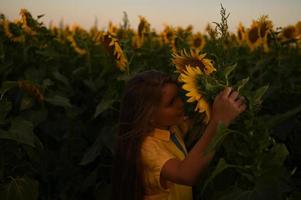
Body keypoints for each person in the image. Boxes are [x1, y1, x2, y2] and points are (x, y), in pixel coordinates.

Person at [111, 70, 246, 200]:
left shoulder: (170, 127)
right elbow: (186, 174)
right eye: (171, 103)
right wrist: (219, 121)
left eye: (178, 97)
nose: (181, 104)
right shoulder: (147, 147)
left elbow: (196, 123)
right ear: (149, 115)